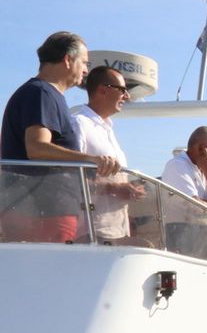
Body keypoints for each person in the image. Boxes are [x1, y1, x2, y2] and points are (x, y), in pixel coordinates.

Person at [1, 32, 119, 242]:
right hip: (43, 211)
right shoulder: (41, 93)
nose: (85, 70)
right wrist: (92, 159)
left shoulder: (42, 93)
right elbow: (37, 147)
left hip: (36, 208)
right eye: (84, 63)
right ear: (67, 59)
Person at [72, 65, 147, 243]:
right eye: (123, 90)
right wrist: (115, 188)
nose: (127, 96)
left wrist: (130, 190)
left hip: (117, 231)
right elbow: (70, 178)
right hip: (90, 232)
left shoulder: (108, 130)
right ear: (102, 90)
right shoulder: (79, 124)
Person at [160, 126, 207, 255]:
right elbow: (195, 207)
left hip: (204, 236)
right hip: (182, 235)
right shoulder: (177, 165)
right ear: (201, 149)